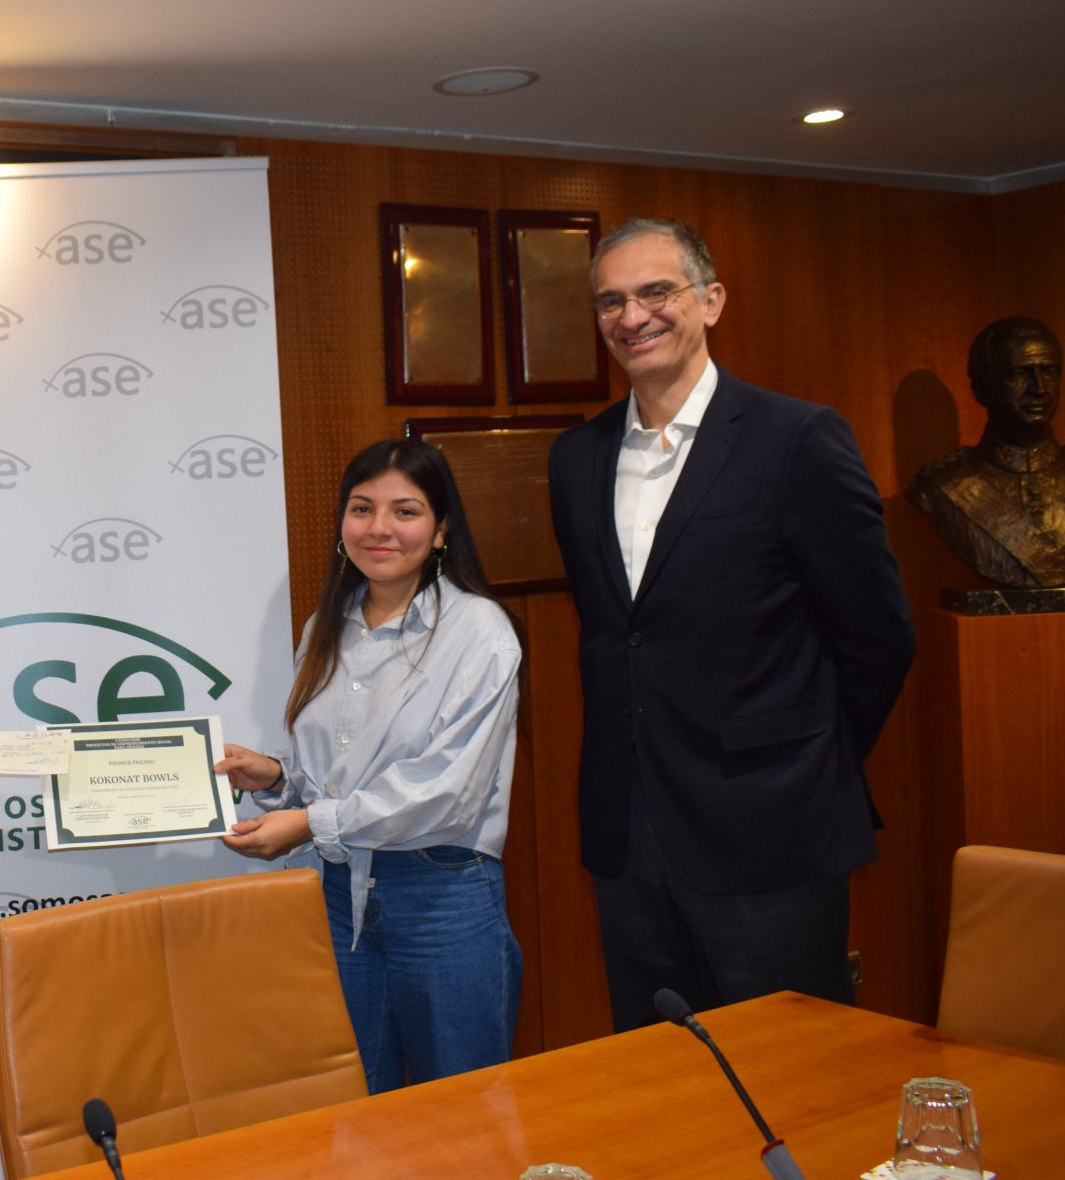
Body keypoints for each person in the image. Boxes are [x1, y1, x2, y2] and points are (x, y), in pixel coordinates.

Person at [549, 218, 914, 1033]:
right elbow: (618, 637)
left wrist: (802, 761)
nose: (632, 316)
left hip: (772, 830)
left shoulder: (797, 439)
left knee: (794, 1069)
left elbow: (879, 636)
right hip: (628, 837)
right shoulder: (576, 459)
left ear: (711, 300)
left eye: (656, 291)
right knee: (661, 1076)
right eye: (611, 300)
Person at [215, 437, 523, 1091]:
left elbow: (448, 794)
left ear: (441, 530)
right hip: (338, 896)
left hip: (442, 898)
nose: (379, 528)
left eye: (405, 511)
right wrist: (279, 777)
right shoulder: (325, 628)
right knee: (355, 1107)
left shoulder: (479, 630)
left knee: (463, 1109)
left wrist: (307, 823)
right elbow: (334, 776)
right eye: (362, 508)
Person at [909, 316, 1065, 587]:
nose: (1039, 389)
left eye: (1049, 371)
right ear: (980, 388)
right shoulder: (944, 487)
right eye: (1018, 374)